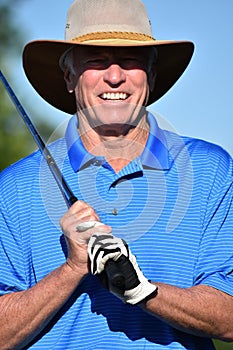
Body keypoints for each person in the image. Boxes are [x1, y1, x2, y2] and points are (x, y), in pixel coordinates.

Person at [0, 0, 233, 349]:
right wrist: (71, 269)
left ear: (151, 76)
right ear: (69, 77)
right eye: (95, 60)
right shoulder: (14, 187)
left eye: (130, 60)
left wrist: (145, 291)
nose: (114, 75)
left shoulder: (211, 170)